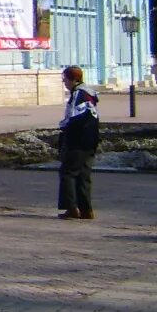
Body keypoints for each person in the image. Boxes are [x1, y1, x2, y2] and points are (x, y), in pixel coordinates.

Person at [57, 64, 100, 220]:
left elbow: (75, 117)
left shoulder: (79, 94)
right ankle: (86, 210)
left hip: (78, 140)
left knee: (67, 173)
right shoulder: (89, 93)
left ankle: (72, 208)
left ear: (74, 79)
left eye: (65, 80)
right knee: (83, 174)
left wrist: (63, 127)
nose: (64, 83)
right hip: (91, 139)